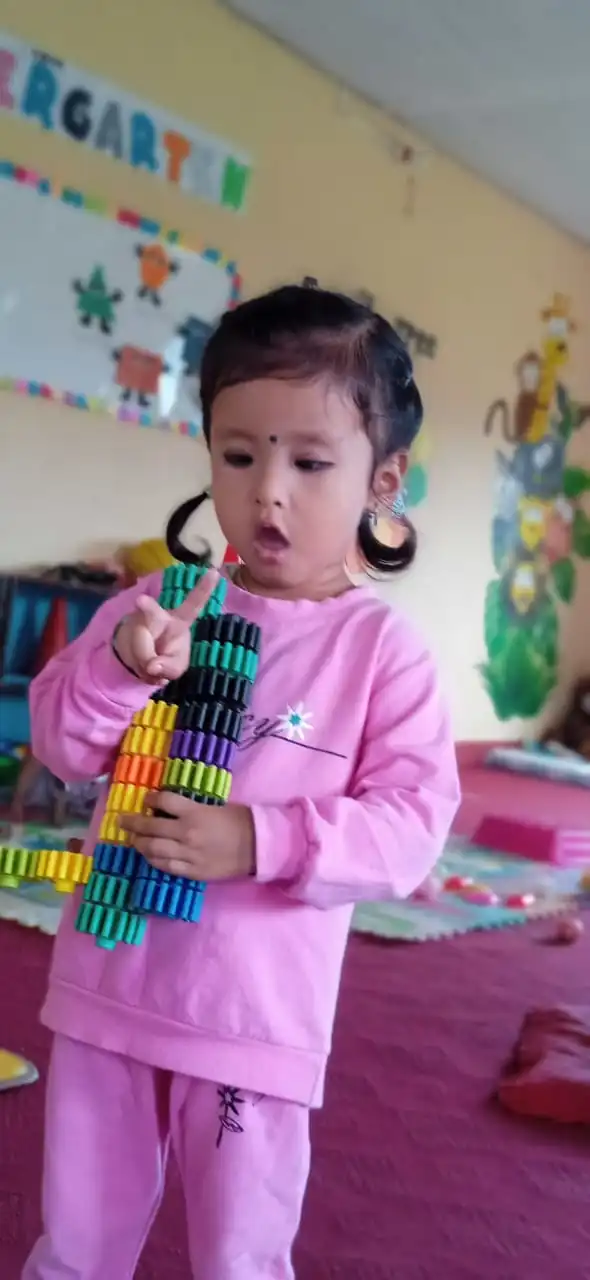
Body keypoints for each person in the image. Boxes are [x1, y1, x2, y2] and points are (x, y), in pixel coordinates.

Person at [23, 285, 460, 1280]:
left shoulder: (380, 652)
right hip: (107, 992)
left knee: (239, 1258)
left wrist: (263, 838)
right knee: (75, 1249)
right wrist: (120, 672)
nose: (267, 492)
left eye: (309, 462)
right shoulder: (159, 605)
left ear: (382, 480)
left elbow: (409, 826)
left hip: (251, 1026)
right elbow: (61, 745)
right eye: (237, 454)